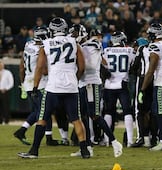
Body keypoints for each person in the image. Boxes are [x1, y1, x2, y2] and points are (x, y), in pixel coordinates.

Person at [17, 17, 90, 159]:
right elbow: (82, 67)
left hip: (53, 86)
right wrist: (74, 78)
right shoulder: (74, 42)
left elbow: (39, 67)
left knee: (43, 118)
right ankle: (84, 150)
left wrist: (35, 86)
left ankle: (34, 151)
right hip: (71, 86)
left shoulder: (46, 44)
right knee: (76, 119)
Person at [68, 24, 123, 157]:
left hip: (92, 83)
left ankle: (115, 142)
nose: (73, 36)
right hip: (81, 84)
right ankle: (87, 147)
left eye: (75, 33)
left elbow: (91, 65)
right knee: (83, 116)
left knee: (95, 115)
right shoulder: (76, 46)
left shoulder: (92, 43)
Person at [13, 26, 58, 146]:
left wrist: (22, 82)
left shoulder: (28, 45)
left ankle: (47, 137)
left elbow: (21, 66)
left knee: (41, 110)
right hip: (39, 83)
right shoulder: (41, 49)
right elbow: (43, 70)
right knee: (44, 110)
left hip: (28, 82)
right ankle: (23, 131)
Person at [138, 23, 162, 151]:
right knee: (160, 111)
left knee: (159, 112)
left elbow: (150, 70)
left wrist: (142, 89)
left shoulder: (155, 47)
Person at [102, 31, 135, 147]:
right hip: (122, 84)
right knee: (127, 111)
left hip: (109, 84)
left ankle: (106, 140)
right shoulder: (129, 50)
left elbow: (103, 66)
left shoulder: (106, 51)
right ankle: (130, 140)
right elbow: (133, 66)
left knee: (108, 112)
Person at [0, 59, 14, 125]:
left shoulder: (7, 72)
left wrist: (6, 88)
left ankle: (6, 120)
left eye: (1, 64)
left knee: (5, 106)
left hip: (4, 91)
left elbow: (11, 83)